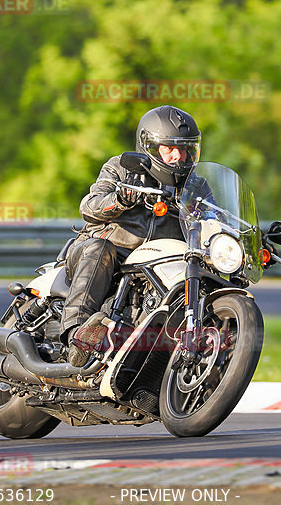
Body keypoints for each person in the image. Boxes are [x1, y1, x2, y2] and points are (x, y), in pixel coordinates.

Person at [62, 105, 201, 365]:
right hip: (102, 256)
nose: (178, 156)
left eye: (184, 148)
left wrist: (244, 237)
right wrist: (120, 199)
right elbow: (89, 207)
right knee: (100, 249)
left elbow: (214, 217)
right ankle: (77, 336)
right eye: (169, 148)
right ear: (149, 146)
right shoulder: (122, 168)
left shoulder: (196, 185)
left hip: (154, 266)